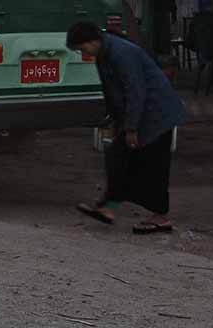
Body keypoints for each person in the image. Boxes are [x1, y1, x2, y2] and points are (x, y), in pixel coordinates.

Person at [67, 21, 186, 234]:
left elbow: (135, 91)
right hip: (139, 114)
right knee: (117, 156)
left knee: (153, 166)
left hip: (156, 113)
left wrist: (131, 128)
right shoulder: (104, 54)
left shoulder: (122, 54)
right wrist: (117, 123)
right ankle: (109, 207)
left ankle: (160, 217)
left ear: (93, 41)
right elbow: (112, 92)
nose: (84, 53)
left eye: (83, 49)